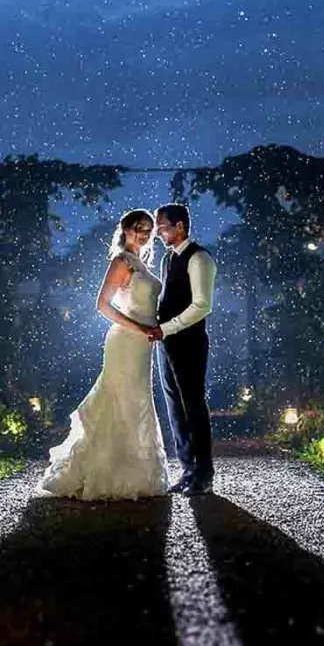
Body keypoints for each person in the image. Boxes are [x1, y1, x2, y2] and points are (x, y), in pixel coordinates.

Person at [39, 209, 170, 499]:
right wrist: (139, 327)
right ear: (125, 229)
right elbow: (102, 305)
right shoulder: (122, 261)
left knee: (138, 400)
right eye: (138, 228)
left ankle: (135, 472)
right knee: (120, 399)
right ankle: (106, 473)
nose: (145, 234)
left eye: (149, 229)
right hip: (126, 341)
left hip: (143, 343)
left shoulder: (143, 263)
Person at [152, 203, 217, 494]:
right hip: (165, 342)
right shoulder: (168, 259)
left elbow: (202, 305)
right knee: (174, 406)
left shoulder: (200, 258)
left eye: (162, 226)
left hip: (189, 342)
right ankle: (188, 469)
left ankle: (204, 473)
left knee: (193, 405)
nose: (158, 232)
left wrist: (166, 327)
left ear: (180, 226)